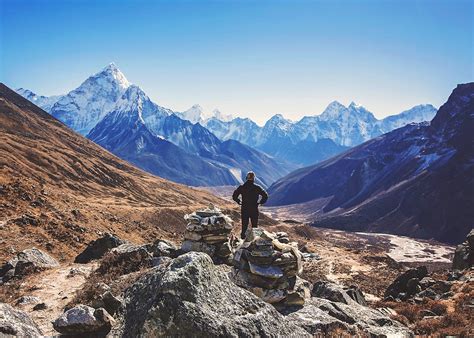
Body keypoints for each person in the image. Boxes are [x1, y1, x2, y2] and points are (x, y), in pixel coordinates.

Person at [232, 171, 268, 239]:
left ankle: (242, 240)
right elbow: (265, 195)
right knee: (255, 226)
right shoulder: (257, 187)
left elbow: (234, 196)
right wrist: (260, 202)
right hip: (254, 208)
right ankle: (256, 240)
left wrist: (239, 201)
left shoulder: (242, 187)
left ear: (246, 178)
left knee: (244, 225)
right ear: (254, 178)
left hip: (244, 208)